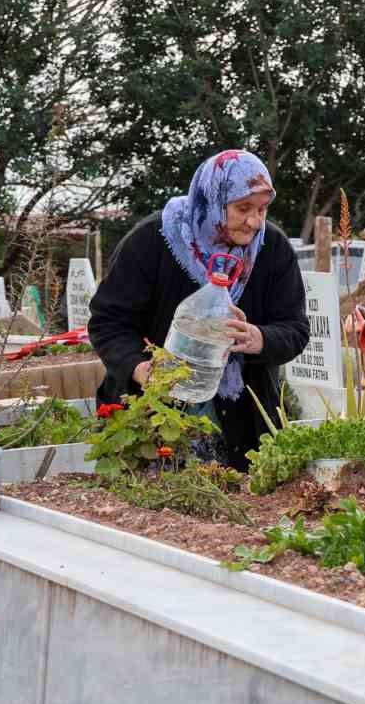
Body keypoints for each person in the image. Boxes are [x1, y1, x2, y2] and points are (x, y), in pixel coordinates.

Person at [89, 149, 310, 470]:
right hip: (152, 418)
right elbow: (108, 323)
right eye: (243, 208)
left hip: (243, 420)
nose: (254, 222)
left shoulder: (271, 248)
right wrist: (141, 369)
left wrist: (258, 337)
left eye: (263, 209)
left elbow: (295, 328)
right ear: (211, 200)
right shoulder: (152, 240)